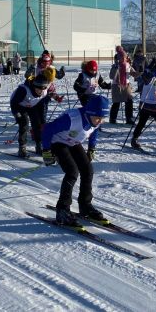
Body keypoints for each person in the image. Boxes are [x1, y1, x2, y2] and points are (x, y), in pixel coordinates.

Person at [41, 94, 111, 226]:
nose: (99, 121)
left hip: (73, 142)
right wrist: (46, 150)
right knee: (72, 172)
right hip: (58, 142)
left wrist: (91, 148)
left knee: (88, 170)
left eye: (102, 119)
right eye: (97, 118)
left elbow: (94, 131)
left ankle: (85, 205)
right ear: (89, 113)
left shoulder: (95, 118)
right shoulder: (72, 119)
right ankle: (62, 210)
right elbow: (48, 129)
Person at [10, 68, 56, 157]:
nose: (41, 91)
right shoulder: (23, 90)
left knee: (38, 124)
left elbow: (42, 106)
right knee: (24, 124)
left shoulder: (44, 92)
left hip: (32, 105)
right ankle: (22, 147)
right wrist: (16, 114)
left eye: (43, 88)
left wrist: (42, 121)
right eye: (39, 89)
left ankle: (39, 145)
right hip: (20, 106)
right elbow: (14, 103)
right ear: (34, 86)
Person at [109, 47, 135, 125]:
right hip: (116, 85)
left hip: (126, 85)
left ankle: (129, 118)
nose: (124, 59)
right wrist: (116, 67)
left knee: (129, 101)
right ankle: (112, 118)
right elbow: (111, 76)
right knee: (116, 102)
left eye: (124, 57)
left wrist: (139, 71)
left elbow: (134, 74)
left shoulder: (128, 65)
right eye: (122, 57)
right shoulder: (115, 66)